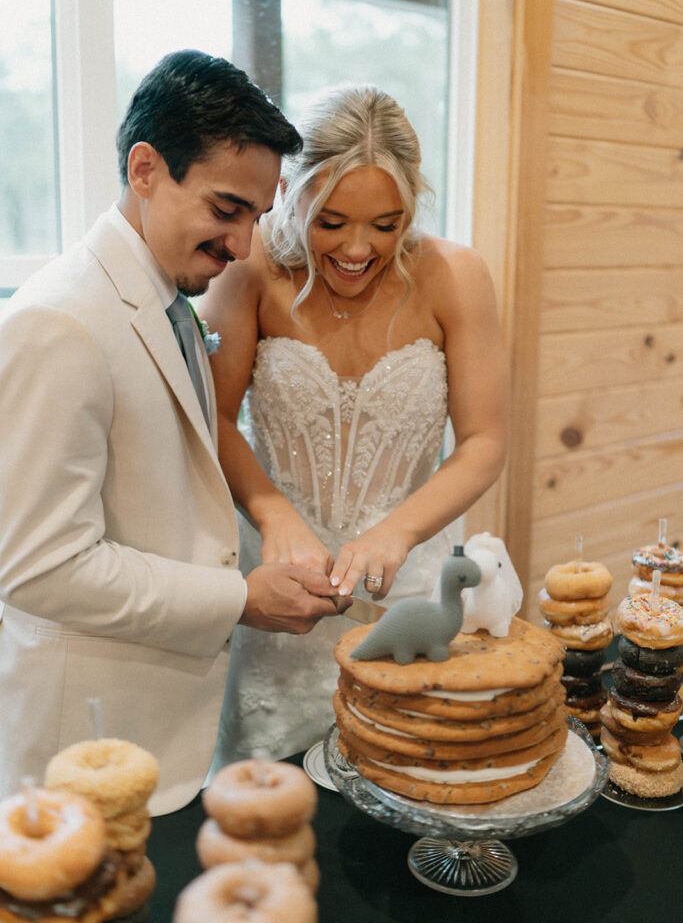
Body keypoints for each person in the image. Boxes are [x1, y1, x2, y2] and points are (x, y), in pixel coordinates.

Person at [0, 50, 344, 814]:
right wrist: (237, 597)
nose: (244, 247)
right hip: (83, 757)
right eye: (227, 210)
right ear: (146, 169)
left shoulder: (165, 293)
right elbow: (39, 570)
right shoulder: (57, 324)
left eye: (256, 216)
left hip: (167, 734)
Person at [199, 84, 509, 765]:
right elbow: (215, 420)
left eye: (386, 223)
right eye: (330, 221)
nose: (357, 249)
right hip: (278, 584)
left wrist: (395, 531)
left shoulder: (455, 276)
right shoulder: (249, 271)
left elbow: (484, 442)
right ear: (290, 191)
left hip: (405, 591)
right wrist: (273, 513)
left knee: (412, 775)